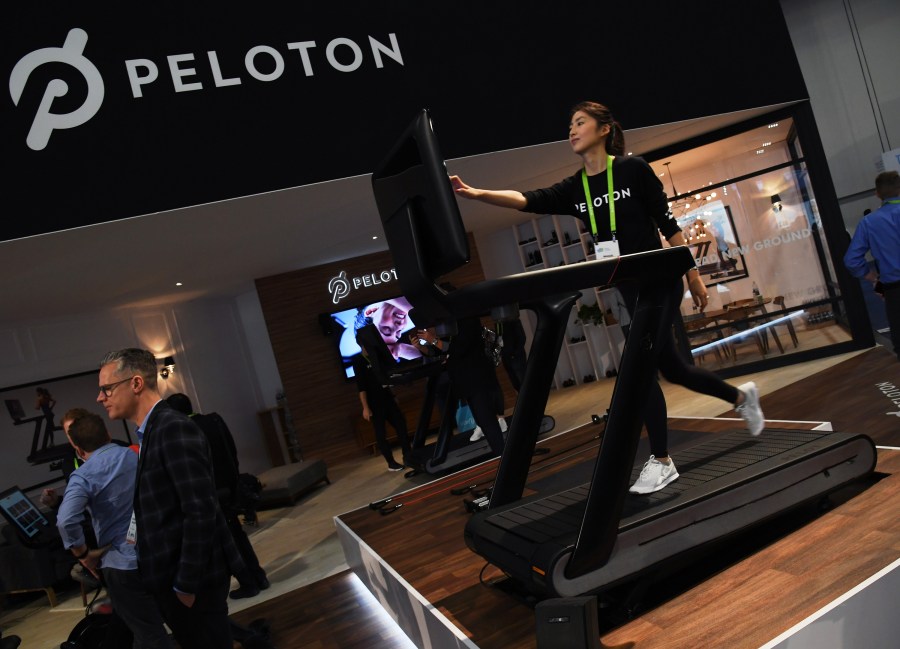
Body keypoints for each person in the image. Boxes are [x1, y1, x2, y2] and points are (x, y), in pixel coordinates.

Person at [448, 100, 765, 493]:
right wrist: (477, 194)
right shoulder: (575, 187)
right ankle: (740, 396)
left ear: (604, 129)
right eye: (569, 124)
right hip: (630, 287)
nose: (571, 130)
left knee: (640, 366)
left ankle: (662, 460)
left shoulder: (633, 169)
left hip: (661, 277)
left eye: (579, 122)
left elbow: (666, 222)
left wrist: (694, 276)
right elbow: (527, 198)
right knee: (673, 369)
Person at [97, 348, 243, 649]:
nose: (101, 398)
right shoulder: (151, 430)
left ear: (136, 384)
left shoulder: (172, 428)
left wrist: (185, 585)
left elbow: (200, 511)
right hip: (173, 580)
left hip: (191, 583)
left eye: (107, 389)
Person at [56, 409, 173, 648]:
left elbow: (65, 520)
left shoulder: (82, 476)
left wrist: (83, 555)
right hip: (160, 551)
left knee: (149, 634)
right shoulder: (138, 454)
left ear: (78, 449)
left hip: (122, 564)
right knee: (173, 623)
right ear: (108, 434)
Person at [164, 393, 270, 600]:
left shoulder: (184, 432)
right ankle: (258, 577)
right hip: (229, 489)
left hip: (208, 494)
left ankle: (249, 582)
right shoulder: (213, 421)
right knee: (237, 535)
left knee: (226, 541)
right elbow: (232, 451)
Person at [413, 314, 507, 457]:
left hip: (477, 377)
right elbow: (438, 351)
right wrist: (421, 346)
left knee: (487, 419)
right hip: (464, 381)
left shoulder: (467, 320)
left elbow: (458, 349)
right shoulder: (448, 324)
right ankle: (501, 453)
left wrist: (433, 340)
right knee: (482, 420)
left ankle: (503, 454)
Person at [844, 170, 900, 361]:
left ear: (877, 193)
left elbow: (851, 260)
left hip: (894, 292)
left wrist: (872, 278)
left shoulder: (869, 223)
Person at [353, 324, 413, 471]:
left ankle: (408, 456)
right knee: (381, 433)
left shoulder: (377, 357)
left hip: (387, 398)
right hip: (374, 403)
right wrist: (365, 408)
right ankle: (391, 463)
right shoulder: (358, 361)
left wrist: (393, 395)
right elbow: (361, 388)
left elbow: (386, 378)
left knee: (401, 426)